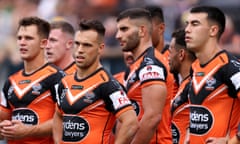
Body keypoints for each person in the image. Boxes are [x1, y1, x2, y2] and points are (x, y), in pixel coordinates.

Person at [52, 19, 139, 144]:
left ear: (100, 48)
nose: (80, 50)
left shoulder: (108, 84)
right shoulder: (64, 82)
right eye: (77, 44)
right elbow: (58, 116)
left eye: (87, 45)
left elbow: (131, 123)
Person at [116, 8, 176, 144]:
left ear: (142, 31)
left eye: (124, 29)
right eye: (118, 30)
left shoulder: (151, 65)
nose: (118, 35)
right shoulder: (138, 64)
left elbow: (152, 117)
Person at [0, 16, 64, 144]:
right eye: (19, 38)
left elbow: (67, 121)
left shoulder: (58, 78)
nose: (22, 42)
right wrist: (3, 129)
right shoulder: (11, 81)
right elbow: (3, 121)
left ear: (44, 43)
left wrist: (28, 131)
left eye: (28, 38)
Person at [185, 6, 240, 143]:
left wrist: (233, 141)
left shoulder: (229, 67)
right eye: (187, 24)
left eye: (195, 24)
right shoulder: (195, 66)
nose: (187, 30)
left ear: (213, 30)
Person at [168, 29, 196, 144]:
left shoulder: (195, 84)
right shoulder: (184, 83)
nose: (168, 57)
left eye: (170, 51)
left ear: (181, 54)